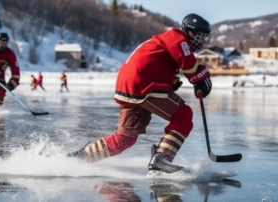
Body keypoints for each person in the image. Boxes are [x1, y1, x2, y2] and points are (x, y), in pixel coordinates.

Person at [67, 13, 212, 173]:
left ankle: (80, 157)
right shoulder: (177, 37)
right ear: (190, 32)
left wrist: (169, 82)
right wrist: (201, 77)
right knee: (184, 115)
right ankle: (162, 158)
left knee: (125, 138)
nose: (203, 41)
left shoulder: (166, 41)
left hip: (128, 85)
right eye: (200, 36)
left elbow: (154, 61)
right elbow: (190, 66)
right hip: (142, 84)